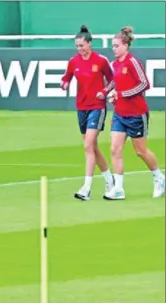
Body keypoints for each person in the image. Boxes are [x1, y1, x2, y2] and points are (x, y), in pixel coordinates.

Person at [104, 26, 165, 200]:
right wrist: (107, 92)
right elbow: (115, 83)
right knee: (115, 149)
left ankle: (159, 178)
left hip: (136, 114)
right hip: (119, 114)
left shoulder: (132, 62)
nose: (113, 49)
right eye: (112, 46)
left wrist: (122, 94)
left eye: (116, 46)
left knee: (141, 151)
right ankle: (118, 189)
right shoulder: (114, 64)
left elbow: (144, 84)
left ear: (125, 45)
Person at [61, 25, 115, 201]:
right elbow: (66, 77)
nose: (80, 49)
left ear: (89, 44)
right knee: (92, 146)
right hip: (81, 107)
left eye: (82, 45)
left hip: (97, 106)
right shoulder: (74, 61)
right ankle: (109, 179)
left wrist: (105, 92)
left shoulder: (100, 61)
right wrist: (64, 84)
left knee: (87, 145)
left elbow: (113, 80)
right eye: (77, 46)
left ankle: (87, 187)